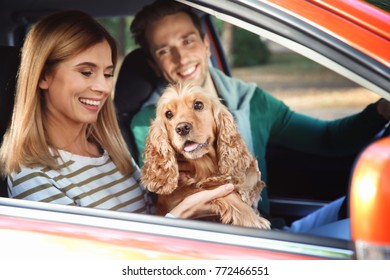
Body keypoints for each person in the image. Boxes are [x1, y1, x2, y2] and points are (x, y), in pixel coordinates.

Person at [129, 0, 390, 234]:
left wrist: (381, 110)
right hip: (243, 240)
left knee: (365, 209)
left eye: (188, 41)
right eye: (164, 51)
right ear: (154, 64)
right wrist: (238, 207)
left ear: (206, 45)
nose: (181, 57)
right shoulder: (150, 123)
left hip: (272, 228)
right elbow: (175, 193)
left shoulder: (252, 100)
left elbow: (328, 139)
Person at [0, 10, 235, 220]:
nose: (103, 87)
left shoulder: (111, 151)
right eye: (86, 72)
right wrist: (178, 218)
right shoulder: (33, 176)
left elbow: (150, 217)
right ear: (43, 76)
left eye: (108, 74)